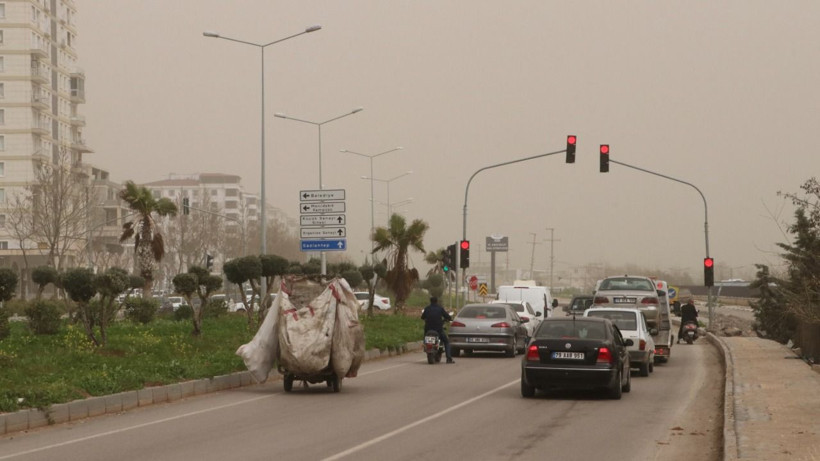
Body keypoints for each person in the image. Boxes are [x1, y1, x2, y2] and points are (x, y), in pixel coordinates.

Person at [421, 296, 454, 363]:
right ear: (437, 301)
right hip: (438, 330)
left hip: (428, 330)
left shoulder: (427, 308)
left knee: (425, 338)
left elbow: (422, 317)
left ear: (430, 301)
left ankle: (425, 344)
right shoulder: (440, 308)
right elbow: (447, 316)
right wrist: (449, 318)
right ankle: (449, 359)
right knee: (446, 342)